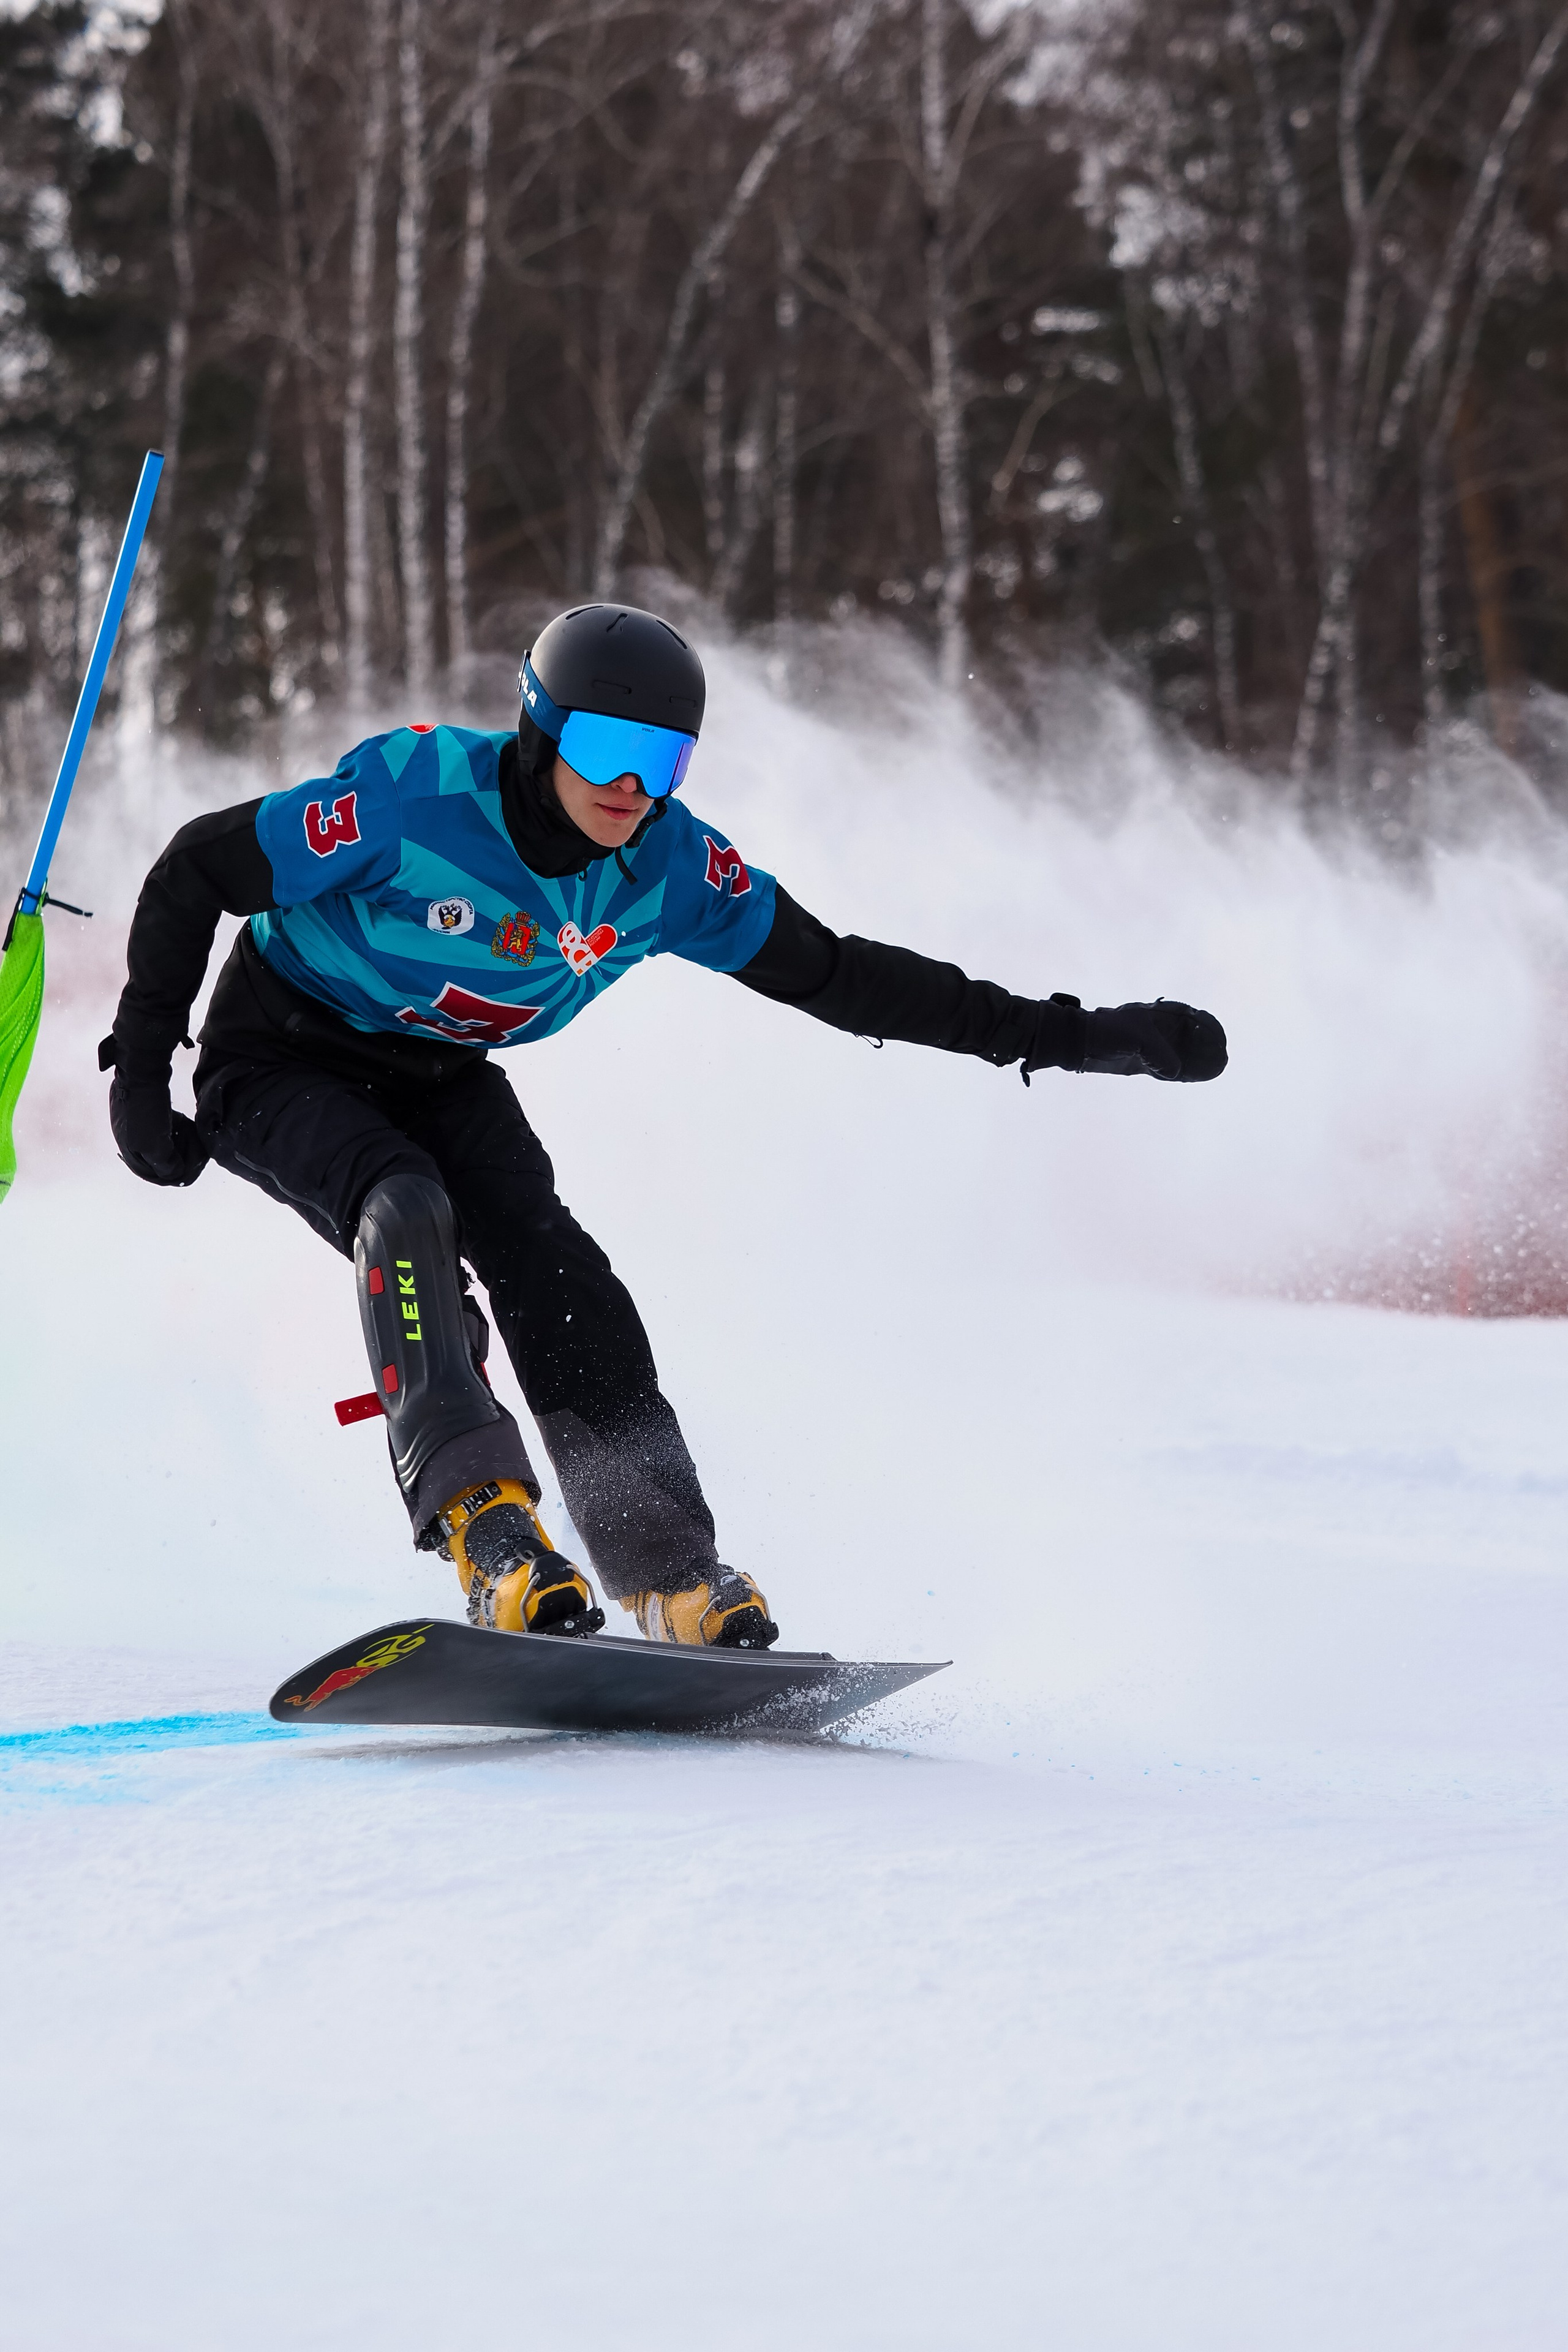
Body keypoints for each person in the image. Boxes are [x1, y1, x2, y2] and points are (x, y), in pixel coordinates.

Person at [101, 602, 1227, 1651]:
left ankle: (671, 1572)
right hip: (277, 1052)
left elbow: (840, 977)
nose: (632, 787)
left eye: (665, 761)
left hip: (441, 1070)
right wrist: (143, 1066)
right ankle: (485, 1530)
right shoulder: (414, 798)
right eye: (605, 751)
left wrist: (1070, 1037)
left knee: (560, 1269)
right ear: (542, 732)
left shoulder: (672, 868)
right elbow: (203, 862)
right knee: (406, 1207)